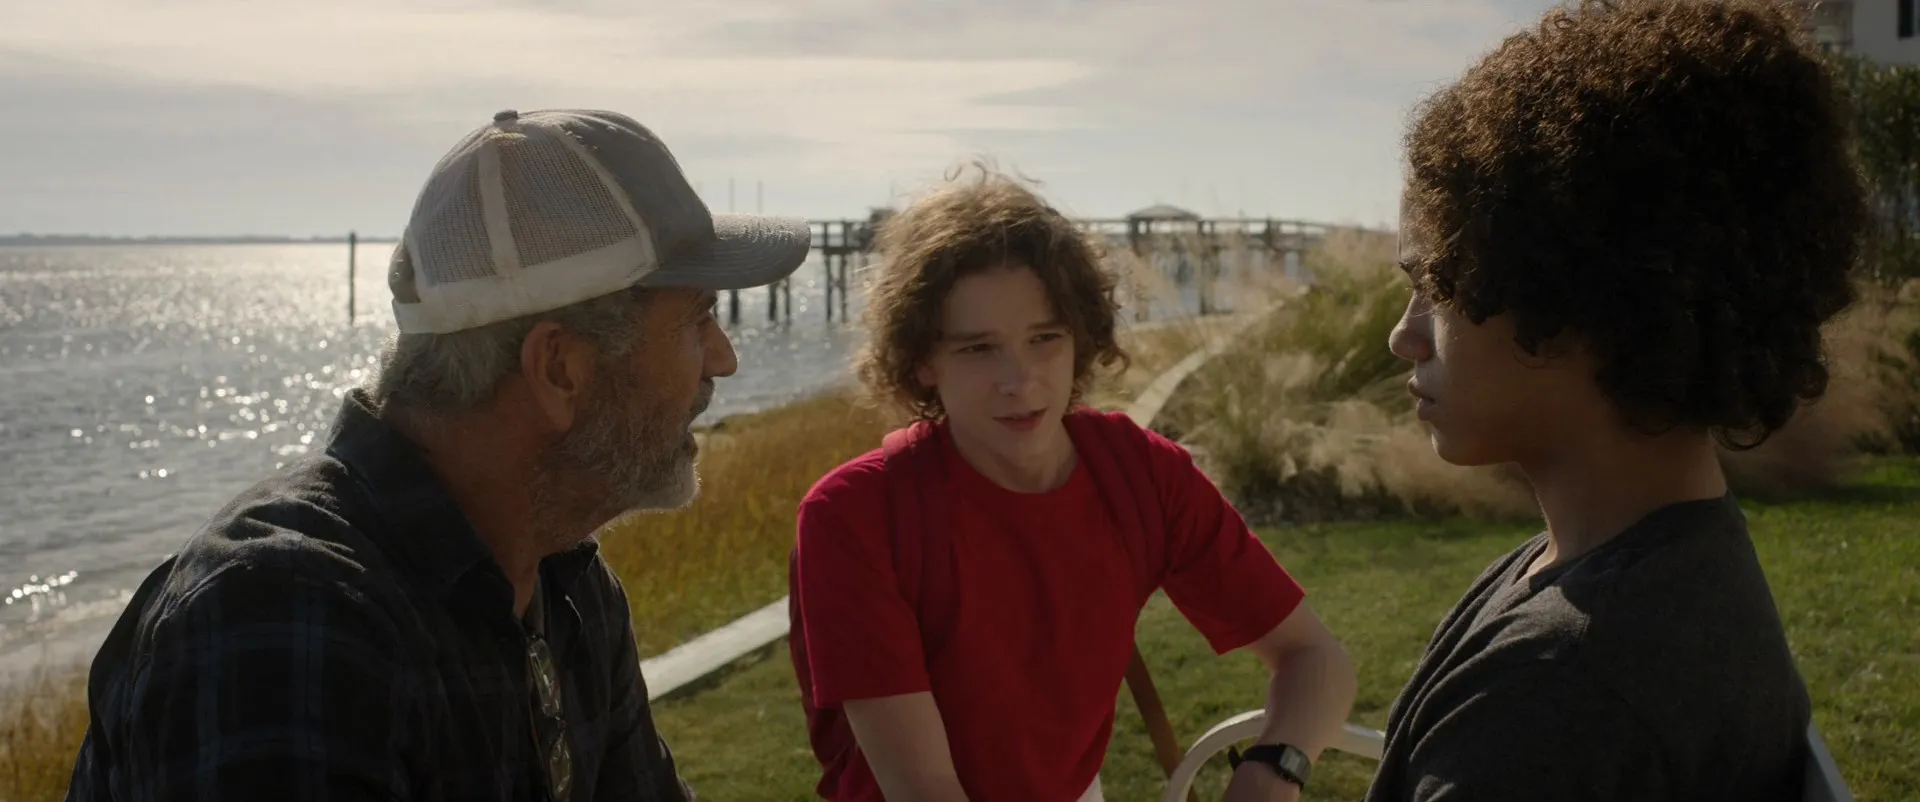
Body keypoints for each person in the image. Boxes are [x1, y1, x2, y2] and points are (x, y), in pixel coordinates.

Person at [65, 108, 816, 802]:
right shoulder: (283, 622)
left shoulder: (569, 585)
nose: (723, 359)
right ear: (560, 368)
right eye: (697, 320)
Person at [1370, 1, 1868, 800]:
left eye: (1437, 282)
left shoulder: (1555, 698)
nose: (1405, 336)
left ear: (1576, 294)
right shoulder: (1664, 566)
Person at [787, 167, 1358, 802]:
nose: (1020, 380)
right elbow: (923, 788)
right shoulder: (856, 515)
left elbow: (1315, 658)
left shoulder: (1141, 474)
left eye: (1045, 339)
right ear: (923, 361)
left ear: (1080, 339)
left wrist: (1273, 770)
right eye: (978, 349)